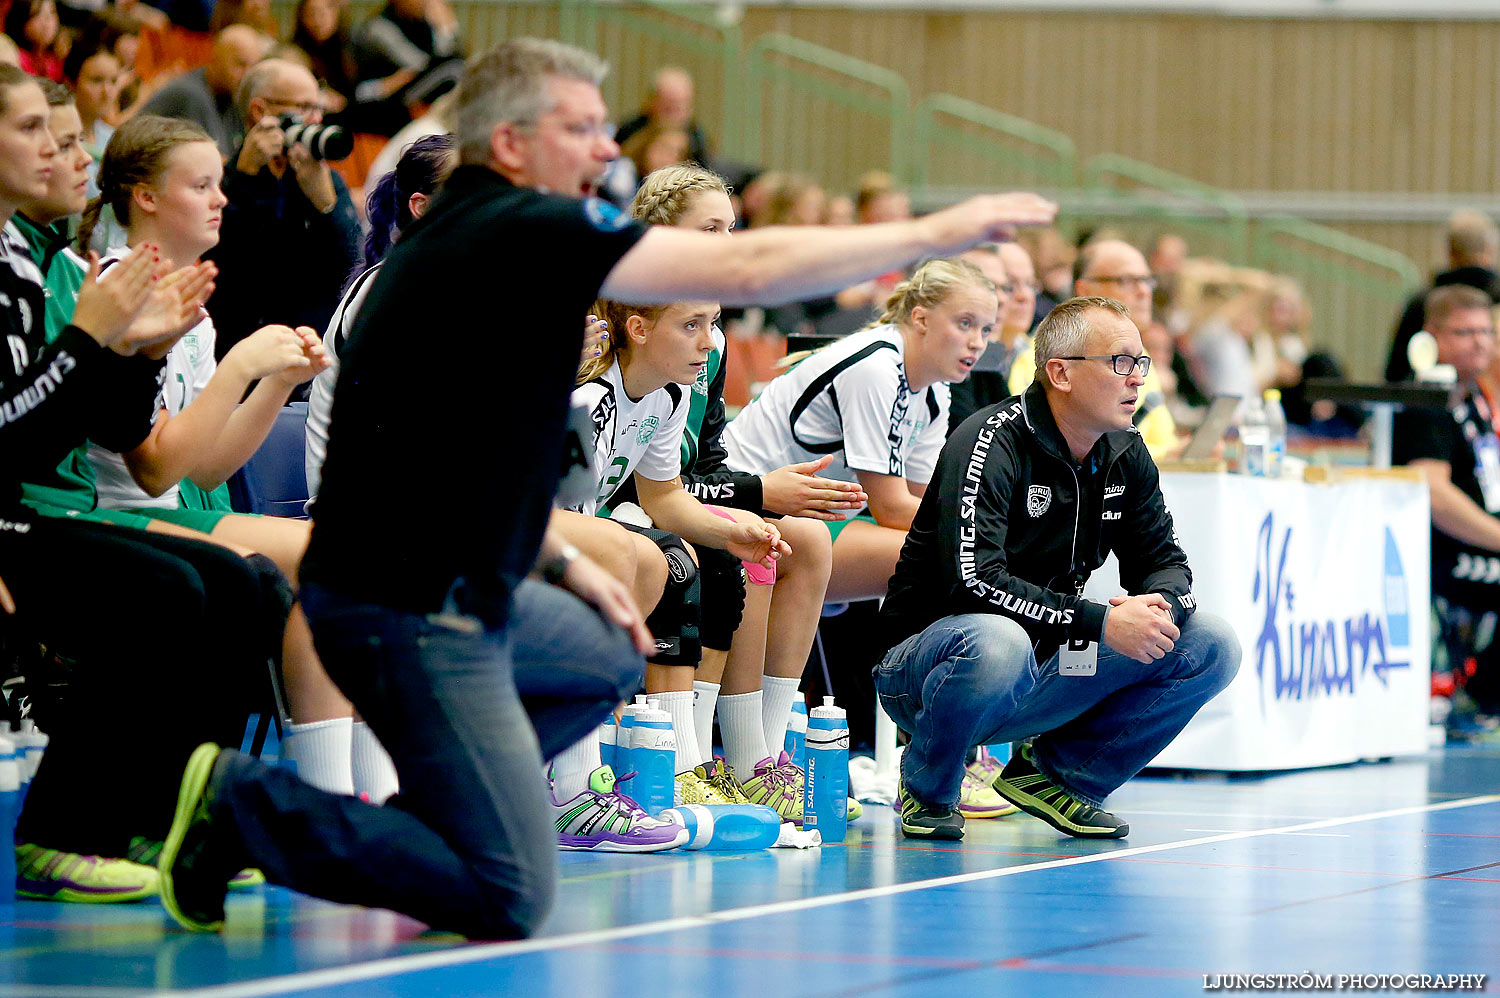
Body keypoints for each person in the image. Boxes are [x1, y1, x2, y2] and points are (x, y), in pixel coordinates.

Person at [152, 37, 1055, 940]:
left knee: (600, 653)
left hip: (466, 579)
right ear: (508, 141)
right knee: (509, 896)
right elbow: (743, 269)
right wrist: (936, 235)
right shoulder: (508, 226)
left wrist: (560, 559)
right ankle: (253, 807)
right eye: (579, 126)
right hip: (396, 599)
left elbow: (462, 462)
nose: (604, 148)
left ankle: (456, 814)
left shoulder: (502, 245)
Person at [876, 296, 1241, 842]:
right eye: (1120, 361)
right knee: (999, 641)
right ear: (1061, 373)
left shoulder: (1124, 448)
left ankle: (1060, 777)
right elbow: (974, 582)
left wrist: (1157, 607)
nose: (1137, 379)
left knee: (1210, 642)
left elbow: (1165, 561)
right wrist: (1100, 622)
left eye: (1141, 362)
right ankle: (930, 787)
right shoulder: (990, 442)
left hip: (1044, 667)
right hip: (932, 672)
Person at [610, 164, 854, 820]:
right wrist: (756, 490)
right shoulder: (619, 319)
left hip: (670, 490)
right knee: (732, 550)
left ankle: (760, 756)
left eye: (731, 228)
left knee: (799, 538)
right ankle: (695, 756)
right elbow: (634, 473)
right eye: (710, 228)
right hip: (614, 501)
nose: (725, 242)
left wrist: (755, 494)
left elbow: (703, 457)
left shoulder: (708, 334)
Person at [724, 258, 999, 605]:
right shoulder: (876, 369)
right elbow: (892, 509)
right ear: (921, 318)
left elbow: (923, 498)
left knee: (968, 553)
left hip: (805, 523)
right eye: (965, 324)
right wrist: (993, 532)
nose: (977, 342)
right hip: (744, 508)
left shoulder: (935, 390)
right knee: (955, 559)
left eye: (986, 330)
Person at [1391, 285, 1500, 737]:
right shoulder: (1429, 401)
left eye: (1486, 331)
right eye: (1465, 331)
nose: (1479, 341)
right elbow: (1432, 493)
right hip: (1446, 554)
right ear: (1432, 337)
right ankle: (1484, 695)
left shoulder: (1474, 397)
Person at [205, 58, 361, 362]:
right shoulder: (220, 180)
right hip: (238, 350)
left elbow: (351, 267)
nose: (315, 120)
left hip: (307, 351)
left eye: (319, 109)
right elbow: (224, 267)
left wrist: (326, 205)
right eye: (304, 108)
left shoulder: (321, 176)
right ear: (260, 111)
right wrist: (246, 177)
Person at [1387, 210, 1500, 384]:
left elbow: (1396, 371)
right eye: (1464, 333)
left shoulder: (1422, 302)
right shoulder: (1495, 296)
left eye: (1486, 332)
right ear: (1489, 249)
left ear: (1450, 251)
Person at [139, 24, 266, 160]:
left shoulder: (230, 95)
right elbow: (215, 161)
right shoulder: (191, 94)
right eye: (240, 64)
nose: (247, 75)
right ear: (216, 57)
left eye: (254, 66)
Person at [348, 0, 461, 136]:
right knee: (454, 70)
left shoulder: (421, 25)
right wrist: (444, 31)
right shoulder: (379, 28)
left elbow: (443, 62)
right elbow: (420, 64)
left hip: (409, 95)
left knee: (456, 70)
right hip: (382, 104)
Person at [613, 66, 708, 167]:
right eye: (669, 108)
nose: (675, 117)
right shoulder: (629, 133)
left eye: (682, 107)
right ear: (651, 102)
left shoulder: (697, 142)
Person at [5, 0, 63, 81]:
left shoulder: (53, 59)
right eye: (37, 14)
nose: (47, 21)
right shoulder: (15, 57)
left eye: (52, 12)